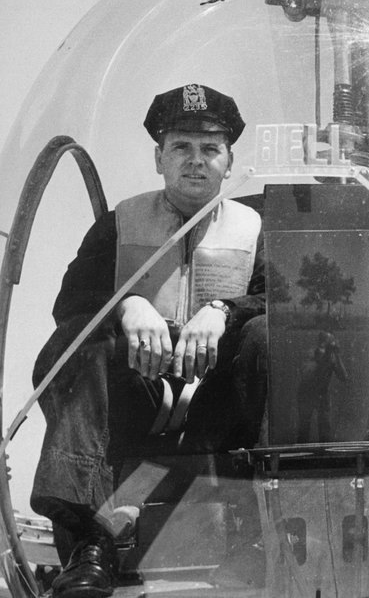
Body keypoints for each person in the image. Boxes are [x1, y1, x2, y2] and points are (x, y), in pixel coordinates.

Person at [31, 84, 266, 598]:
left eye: (211, 150)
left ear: (230, 161)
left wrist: (225, 310)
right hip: (137, 392)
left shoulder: (257, 228)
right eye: (181, 147)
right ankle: (89, 542)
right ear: (159, 157)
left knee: (269, 340)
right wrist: (127, 304)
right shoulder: (117, 225)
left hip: (218, 402)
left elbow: (284, 299)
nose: (196, 162)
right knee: (72, 344)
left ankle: (260, 532)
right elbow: (70, 306)